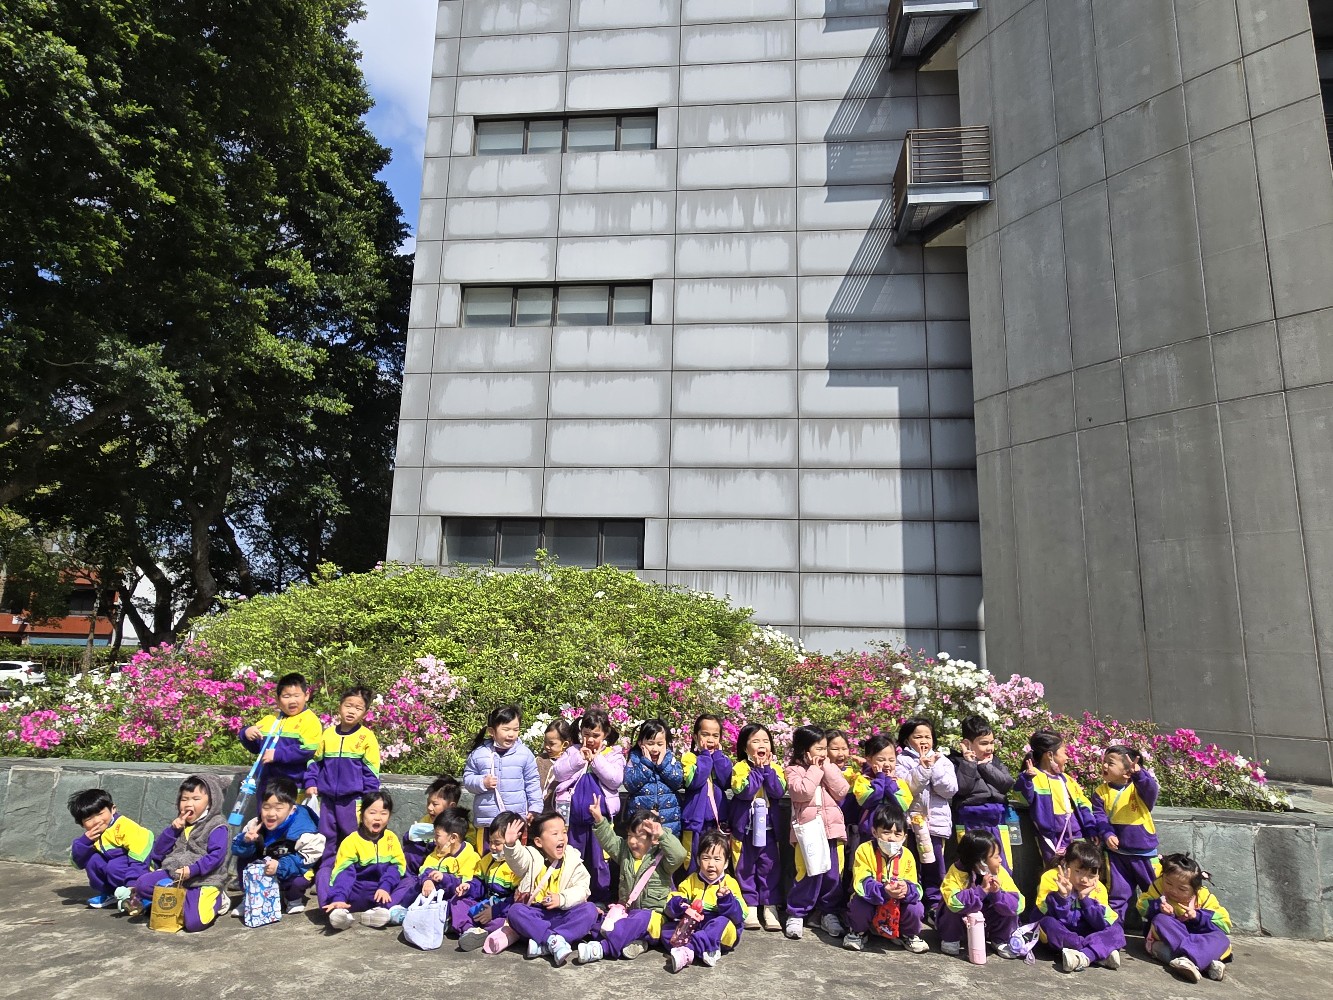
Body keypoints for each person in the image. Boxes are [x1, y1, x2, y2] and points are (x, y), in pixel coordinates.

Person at [577, 795, 687, 963]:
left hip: (653, 917)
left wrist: (662, 834)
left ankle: (603, 948)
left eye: (640, 836)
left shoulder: (662, 859)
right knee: (600, 920)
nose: (633, 841)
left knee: (640, 919)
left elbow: (679, 855)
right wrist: (599, 819)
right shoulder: (625, 853)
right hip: (627, 912)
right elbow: (610, 841)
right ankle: (636, 943)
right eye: (630, 835)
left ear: (654, 839)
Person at [491, 812, 598, 966]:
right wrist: (511, 846)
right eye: (555, 834)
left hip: (562, 915)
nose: (561, 838)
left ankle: (548, 942)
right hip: (537, 916)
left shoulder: (573, 859)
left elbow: (582, 889)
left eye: (564, 832)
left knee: (590, 910)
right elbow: (518, 859)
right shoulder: (531, 856)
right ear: (538, 841)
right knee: (515, 911)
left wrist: (562, 899)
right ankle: (553, 940)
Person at [304, 685, 380, 904]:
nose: (351, 711)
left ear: (364, 713)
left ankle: (351, 880)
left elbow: (371, 773)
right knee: (326, 840)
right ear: (340, 706)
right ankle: (325, 881)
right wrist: (311, 782)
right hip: (327, 801)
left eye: (358, 708)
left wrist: (368, 801)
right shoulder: (328, 735)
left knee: (352, 840)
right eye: (348, 705)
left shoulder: (366, 738)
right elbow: (315, 763)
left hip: (353, 801)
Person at [124, 775, 230, 930]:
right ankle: (179, 899)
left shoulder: (217, 826)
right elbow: (158, 852)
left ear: (211, 802)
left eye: (196, 799)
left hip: (204, 879)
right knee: (143, 884)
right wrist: (173, 830)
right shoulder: (180, 823)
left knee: (194, 923)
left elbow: (216, 857)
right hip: (175, 874)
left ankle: (218, 898)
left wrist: (192, 870)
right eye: (184, 799)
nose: (189, 804)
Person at [551, 707, 625, 904]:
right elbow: (558, 773)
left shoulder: (613, 754)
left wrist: (596, 760)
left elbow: (615, 780)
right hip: (573, 820)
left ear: (605, 734)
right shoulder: (573, 751)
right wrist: (579, 759)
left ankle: (600, 898)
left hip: (599, 821)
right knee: (573, 859)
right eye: (586, 734)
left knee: (599, 861)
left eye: (596, 735)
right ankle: (571, 897)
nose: (590, 739)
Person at [783, 725, 850, 939]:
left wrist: (826, 767)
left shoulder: (828, 768)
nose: (823, 753)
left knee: (832, 875)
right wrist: (814, 769)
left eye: (824, 748)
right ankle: (796, 913)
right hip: (808, 831)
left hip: (831, 831)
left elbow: (842, 790)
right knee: (807, 874)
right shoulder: (793, 770)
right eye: (819, 749)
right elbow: (802, 793)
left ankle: (828, 913)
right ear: (805, 750)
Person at [231, 776, 325, 917]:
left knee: (301, 878)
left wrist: (280, 866)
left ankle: (292, 897)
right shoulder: (255, 824)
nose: (271, 814)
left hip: (290, 869)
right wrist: (245, 841)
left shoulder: (304, 830)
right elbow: (236, 849)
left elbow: (306, 859)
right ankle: (250, 898)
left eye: (278, 808)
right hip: (265, 867)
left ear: (292, 810)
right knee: (243, 858)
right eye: (266, 807)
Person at [843, 800, 928, 954]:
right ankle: (858, 932)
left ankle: (907, 935)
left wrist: (907, 889)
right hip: (873, 900)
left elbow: (917, 888)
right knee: (859, 903)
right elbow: (861, 883)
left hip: (896, 907)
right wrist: (884, 890)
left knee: (916, 907)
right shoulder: (864, 850)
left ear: (904, 837)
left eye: (897, 834)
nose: (892, 838)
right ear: (875, 832)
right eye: (886, 832)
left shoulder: (907, 855)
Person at [656, 828, 746, 972]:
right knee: (667, 930)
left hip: (718, 931)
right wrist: (682, 905)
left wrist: (726, 899)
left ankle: (689, 950)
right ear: (698, 860)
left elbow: (740, 916)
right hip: (695, 926)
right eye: (706, 858)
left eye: (717, 859)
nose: (711, 864)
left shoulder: (729, 883)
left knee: (722, 923)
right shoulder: (691, 880)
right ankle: (705, 949)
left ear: (726, 863)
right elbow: (674, 900)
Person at [896, 717, 957, 918]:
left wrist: (933, 767)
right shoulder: (901, 761)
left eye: (927, 737)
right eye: (918, 736)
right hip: (910, 823)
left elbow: (949, 790)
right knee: (911, 863)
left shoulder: (943, 761)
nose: (924, 741)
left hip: (935, 825)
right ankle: (911, 903)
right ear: (906, 740)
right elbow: (907, 788)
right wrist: (922, 769)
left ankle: (934, 904)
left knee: (934, 866)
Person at [1138, 853, 1232, 983]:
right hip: (1170, 941)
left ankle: (1187, 960)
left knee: (1221, 938)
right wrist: (1158, 907)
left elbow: (1224, 923)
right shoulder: (1158, 887)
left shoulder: (1204, 897)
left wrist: (1198, 916)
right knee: (1161, 921)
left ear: (1195, 889)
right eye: (1168, 883)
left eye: (1182, 889)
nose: (1173, 890)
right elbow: (1141, 906)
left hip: (1197, 938)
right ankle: (1206, 965)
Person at [1035, 838, 1126, 973]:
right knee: (1047, 923)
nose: (1084, 879)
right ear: (1065, 864)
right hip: (1064, 933)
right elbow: (1058, 918)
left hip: (1086, 931)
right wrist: (1063, 897)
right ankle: (1097, 953)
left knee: (1117, 930)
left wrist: (1085, 900)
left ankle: (1083, 956)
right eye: (1078, 871)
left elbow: (1101, 924)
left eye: (1091, 875)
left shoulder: (1098, 888)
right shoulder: (1053, 877)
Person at [1091, 744, 1160, 921]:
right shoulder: (1100, 792)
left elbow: (1151, 789)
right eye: (1104, 761)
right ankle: (1113, 931)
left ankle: (1159, 926)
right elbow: (1100, 817)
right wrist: (1107, 834)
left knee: (1155, 893)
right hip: (1117, 855)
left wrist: (1139, 774)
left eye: (1110, 763)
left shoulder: (1139, 789)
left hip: (1144, 854)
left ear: (1127, 772)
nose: (1104, 766)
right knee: (1117, 896)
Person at [728, 722, 786, 931]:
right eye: (755, 741)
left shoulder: (776, 769)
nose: (762, 745)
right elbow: (744, 791)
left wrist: (767, 770)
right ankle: (750, 905)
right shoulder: (740, 768)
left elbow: (778, 791)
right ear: (745, 747)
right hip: (745, 832)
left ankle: (770, 907)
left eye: (766, 741)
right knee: (745, 869)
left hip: (769, 832)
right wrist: (757, 771)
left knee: (769, 868)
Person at [463, 705, 543, 854]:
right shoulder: (479, 754)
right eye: (506, 729)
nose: (511, 734)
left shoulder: (524, 754)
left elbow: (532, 782)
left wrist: (535, 808)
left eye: (515, 729)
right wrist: (482, 782)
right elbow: (468, 779)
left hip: (514, 822)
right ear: (492, 731)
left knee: (515, 858)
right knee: (487, 857)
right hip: (487, 820)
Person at [236, 671, 322, 808]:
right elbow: (256, 747)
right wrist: (246, 733)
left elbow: (308, 750)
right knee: (266, 818)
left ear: (306, 696)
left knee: (288, 819)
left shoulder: (310, 720)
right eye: (286, 696)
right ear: (277, 699)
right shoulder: (271, 719)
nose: (292, 701)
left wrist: (277, 755)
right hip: (266, 786)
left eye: (296, 696)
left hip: (293, 787)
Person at [323, 790, 406, 930]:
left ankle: (381, 913)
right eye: (372, 813)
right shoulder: (351, 841)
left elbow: (397, 867)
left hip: (382, 893)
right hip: (355, 891)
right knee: (323, 874)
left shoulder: (391, 838)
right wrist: (339, 897)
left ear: (389, 816)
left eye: (384, 813)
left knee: (411, 880)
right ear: (361, 815)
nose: (378, 818)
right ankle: (339, 911)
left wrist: (385, 887)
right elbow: (345, 873)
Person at [936, 829, 1023, 959]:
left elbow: (1018, 904)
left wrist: (997, 894)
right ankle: (951, 937)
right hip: (963, 922)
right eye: (996, 857)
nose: (1000, 860)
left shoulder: (999, 872)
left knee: (1008, 908)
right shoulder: (957, 871)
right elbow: (953, 902)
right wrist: (980, 891)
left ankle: (1000, 938)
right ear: (981, 861)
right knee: (950, 907)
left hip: (986, 922)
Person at [1016, 727, 1097, 866]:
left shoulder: (1067, 780)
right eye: (1064, 753)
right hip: (1051, 839)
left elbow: (1084, 804)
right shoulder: (1033, 776)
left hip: (1076, 836)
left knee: (1079, 870)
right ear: (1050, 755)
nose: (1067, 757)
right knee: (1055, 872)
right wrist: (1026, 780)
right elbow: (1022, 799)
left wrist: (1091, 828)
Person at [389, 807, 479, 924]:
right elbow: (424, 869)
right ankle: (396, 908)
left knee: (458, 903)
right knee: (412, 882)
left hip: (448, 897)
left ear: (453, 838)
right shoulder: (438, 851)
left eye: (437, 836)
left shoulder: (470, 857)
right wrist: (427, 880)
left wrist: (444, 878)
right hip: (430, 894)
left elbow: (465, 884)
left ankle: (441, 920)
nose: (434, 840)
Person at [948, 715, 1016, 870]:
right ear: (967, 744)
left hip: (996, 822)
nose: (990, 748)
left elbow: (1006, 784)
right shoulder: (957, 762)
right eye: (984, 743)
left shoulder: (995, 762)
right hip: (971, 822)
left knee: (1001, 865)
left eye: (992, 743)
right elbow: (963, 788)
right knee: (973, 864)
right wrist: (969, 763)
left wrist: (985, 766)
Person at [67, 788, 153, 908]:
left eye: (100, 814)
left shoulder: (124, 827)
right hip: (119, 874)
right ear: (82, 824)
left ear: (113, 809)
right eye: (89, 819)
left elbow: (140, 855)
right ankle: (111, 893)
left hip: (142, 870)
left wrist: (133, 884)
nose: (96, 821)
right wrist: (84, 842)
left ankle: (140, 896)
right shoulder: (92, 836)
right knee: (92, 860)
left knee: (114, 865)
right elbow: (78, 863)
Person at [454, 811, 523, 952]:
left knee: (507, 922)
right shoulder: (487, 860)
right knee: (457, 902)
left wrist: (494, 911)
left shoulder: (519, 866)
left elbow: (515, 900)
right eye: (490, 841)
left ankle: (478, 929)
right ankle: (470, 930)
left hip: (501, 912)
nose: (492, 847)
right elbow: (479, 884)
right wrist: (468, 887)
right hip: (484, 905)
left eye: (497, 843)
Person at [679, 713, 733, 874]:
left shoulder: (721, 759)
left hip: (717, 821)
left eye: (715, 736)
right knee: (693, 860)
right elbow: (694, 781)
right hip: (695, 822)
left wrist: (717, 757)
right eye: (705, 734)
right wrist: (704, 757)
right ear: (695, 737)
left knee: (715, 858)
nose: (710, 740)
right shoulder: (689, 758)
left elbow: (726, 781)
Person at [623, 719, 686, 838]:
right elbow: (629, 784)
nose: (655, 749)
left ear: (666, 744)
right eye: (650, 743)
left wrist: (663, 765)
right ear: (641, 743)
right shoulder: (635, 759)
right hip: (641, 821)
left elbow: (679, 782)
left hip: (669, 821)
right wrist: (646, 764)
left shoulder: (670, 759)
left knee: (666, 846)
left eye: (660, 744)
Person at [847, 733, 913, 837]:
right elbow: (870, 800)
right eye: (881, 760)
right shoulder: (863, 780)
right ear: (869, 760)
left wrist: (888, 781)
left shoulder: (899, 782)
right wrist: (880, 779)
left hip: (893, 834)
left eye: (891, 760)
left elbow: (901, 805)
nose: (887, 764)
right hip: (869, 833)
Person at [404, 775, 461, 875]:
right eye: (428, 803)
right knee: (410, 852)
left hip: (446, 863)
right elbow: (409, 839)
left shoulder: (460, 824)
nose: (430, 808)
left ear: (451, 806)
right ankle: (409, 879)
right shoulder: (427, 820)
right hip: (427, 858)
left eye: (435, 804)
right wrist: (412, 834)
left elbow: (465, 846)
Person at [538, 719, 575, 811]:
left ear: (565, 744)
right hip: (539, 811)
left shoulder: (570, 764)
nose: (547, 746)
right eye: (545, 742)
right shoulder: (539, 760)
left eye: (552, 744)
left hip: (560, 811)